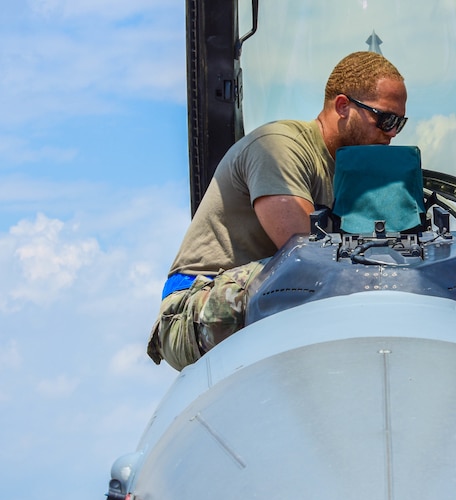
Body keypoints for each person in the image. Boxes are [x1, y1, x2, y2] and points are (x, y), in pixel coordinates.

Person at [147, 51, 408, 370]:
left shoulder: (345, 174)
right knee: (314, 270)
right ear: (343, 106)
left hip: (261, 301)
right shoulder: (279, 147)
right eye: (386, 119)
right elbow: (306, 254)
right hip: (191, 311)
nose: (392, 134)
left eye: (399, 123)